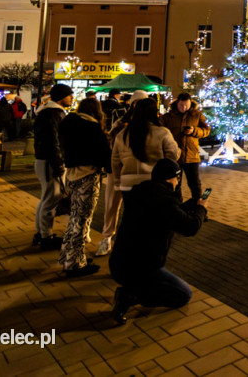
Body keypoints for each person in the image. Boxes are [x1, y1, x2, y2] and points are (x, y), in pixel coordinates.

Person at [109, 158, 208, 325]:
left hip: (118, 264)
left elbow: (167, 215)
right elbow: (190, 227)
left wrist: (191, 205)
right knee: (184, 294)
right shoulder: (164, 199)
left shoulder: (141, 192)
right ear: (172, 178)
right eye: (178, 178)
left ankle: (132, 290)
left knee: (168, 284)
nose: (178, 183)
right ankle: (130, 296)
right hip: (143, 269)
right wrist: (202, 209)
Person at [56, 97, 112, 277]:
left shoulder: (67, 123)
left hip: (71, 174)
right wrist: (110, 167)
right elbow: (104, 152)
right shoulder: (92, 127)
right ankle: (74, 263)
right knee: (82, 219)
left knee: (74, 217)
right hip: (88, 174)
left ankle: (68, 256)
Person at [96, 91, 148, 256]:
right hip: (118, 170)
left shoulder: (153, 125)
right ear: (131, 104)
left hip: (141, 174)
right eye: (136, 103)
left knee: (138, 209)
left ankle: (134, 243)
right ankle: (107, 238)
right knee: (112, 204)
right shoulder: (122, 122)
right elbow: (111, 142)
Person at [32, 84, 74, 250]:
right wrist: (58, 163)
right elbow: (54, 140)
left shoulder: (48, 112)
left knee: (46, 199)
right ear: (61, 96)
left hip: (45, 159)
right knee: (51, 199)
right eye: (69, 95)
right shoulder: (54, 114)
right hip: (50, 161)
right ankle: (46, 236)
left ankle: (41, 233)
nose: (71, 97)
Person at [112, 97, 180, 192]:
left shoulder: (123, 134)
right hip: (154, 183)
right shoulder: (162, 132)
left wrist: (117, 182)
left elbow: (115, 160)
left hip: (128, 184)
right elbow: (172, 156)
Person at [160, 92, 211, 201]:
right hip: (174, 157)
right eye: (181, 105)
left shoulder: (197, 115)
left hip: (191, 156)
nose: (184, 108)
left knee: (195, 184)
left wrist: (194, 131)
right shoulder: (168, 116)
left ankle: (198, 207)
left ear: (190, 104)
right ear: (177, 103)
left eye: (186, 105)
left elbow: (207, 130)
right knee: (175, 186)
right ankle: (177, 208)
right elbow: (160, 131)